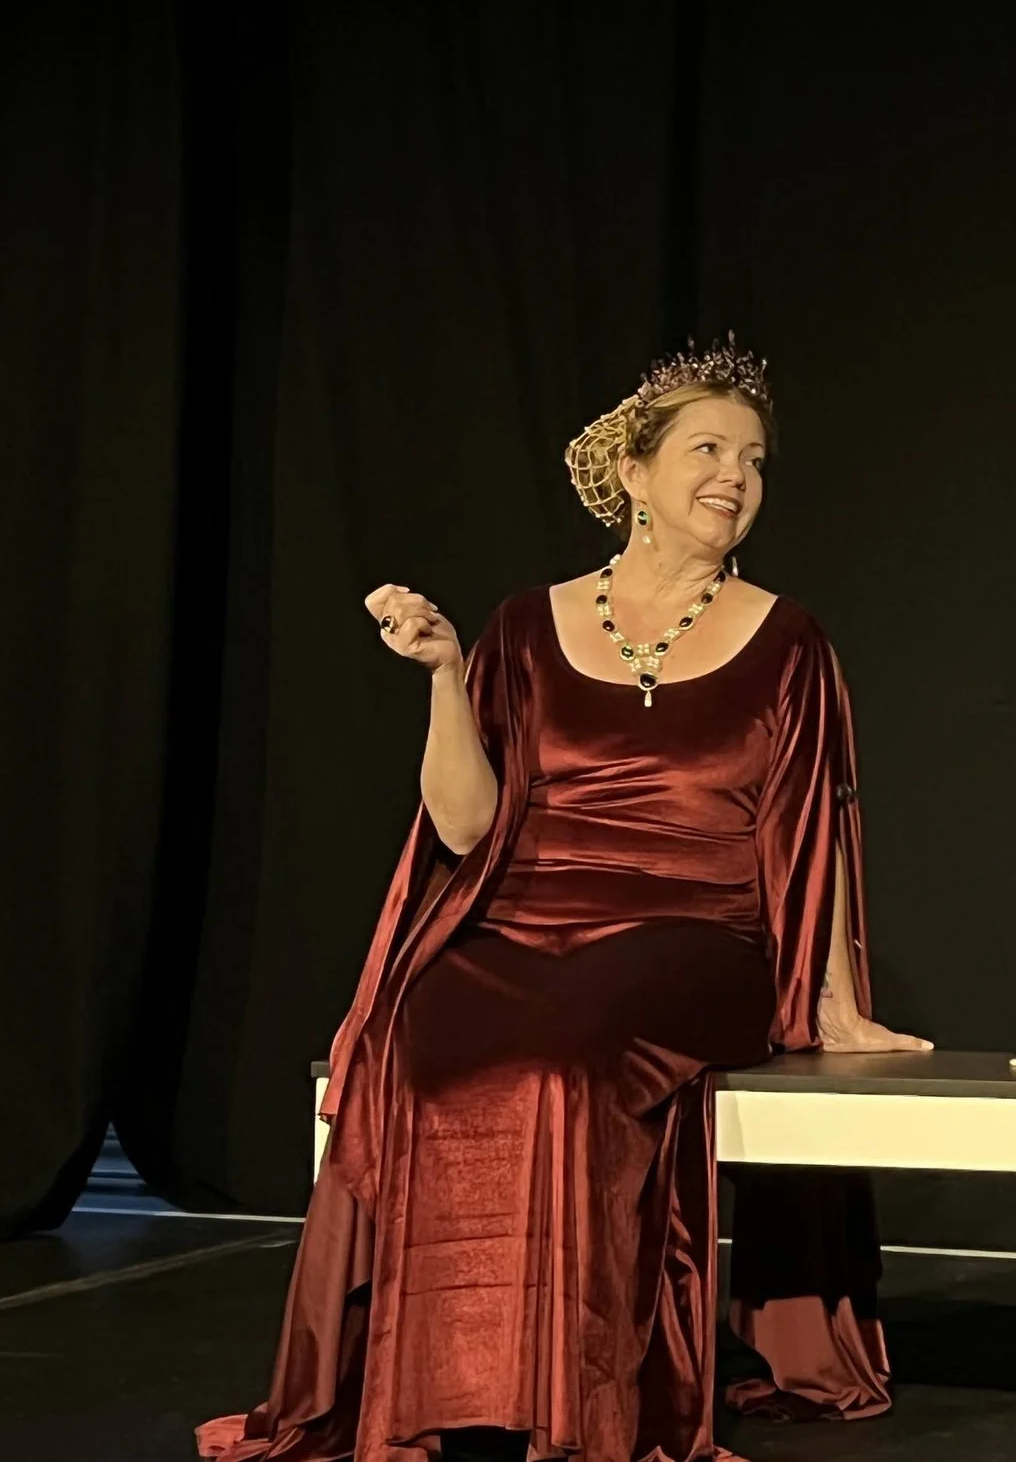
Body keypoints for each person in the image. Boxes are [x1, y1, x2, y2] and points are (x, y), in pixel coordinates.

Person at [200, 338, 932, 1462]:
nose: (733, 475)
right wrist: (448, 673)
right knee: (427, 1047)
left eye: (752, 459)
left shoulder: (788, 641)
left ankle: (572, 1397)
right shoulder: (525, 627)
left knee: (568, 1056)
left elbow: (814, 833)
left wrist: (831, 1004)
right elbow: (463, 827)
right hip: (521, 921)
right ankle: (451, 1389)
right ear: (634, 474)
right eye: (705, 449)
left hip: (694, 937)